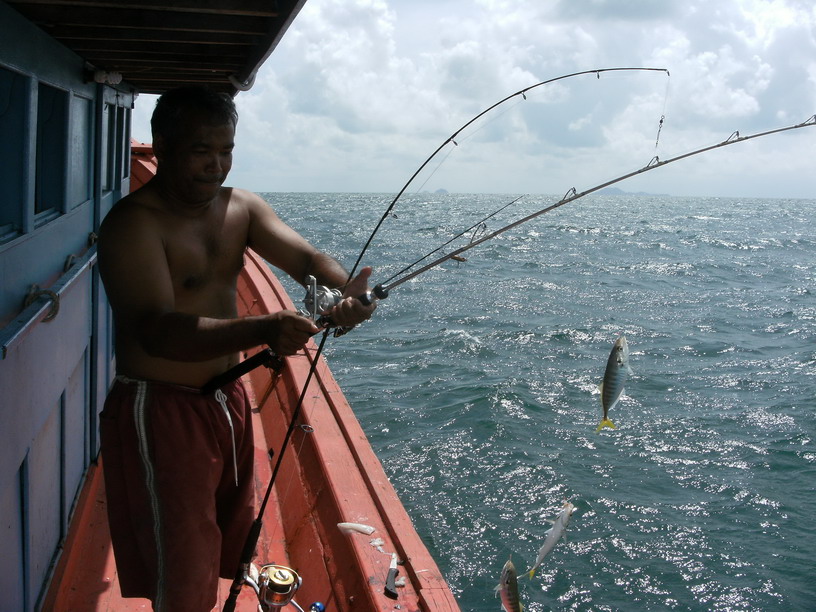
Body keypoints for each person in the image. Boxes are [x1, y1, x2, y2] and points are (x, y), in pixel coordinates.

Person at [97, 85, 376, 611]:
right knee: (181, 567)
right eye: (202, 150)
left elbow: (309, 259)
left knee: (222, 546)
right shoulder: (133, 225)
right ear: (161, 145)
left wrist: (347, 293)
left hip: (228, 402)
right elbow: (157, 330)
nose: (216, 165)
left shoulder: (241, 207)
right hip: (163, 410)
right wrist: (265, 328)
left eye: (226, 150)